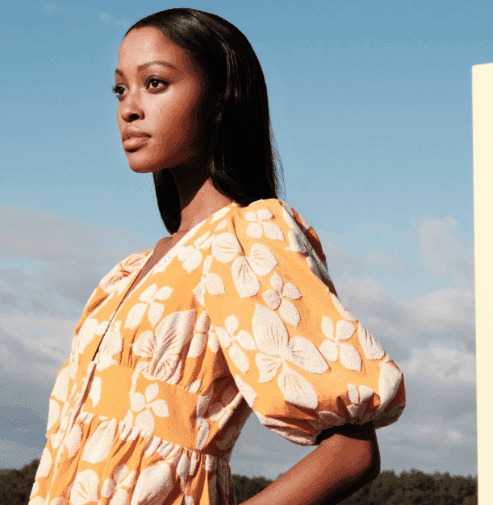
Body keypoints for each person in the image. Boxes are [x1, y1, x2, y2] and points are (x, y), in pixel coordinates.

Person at [29, 8, 405, 505]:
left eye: (156, 83)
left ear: (221, 101)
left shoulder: (247, 240)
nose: (129, 108)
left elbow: (352, 452)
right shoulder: (123, 276)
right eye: (120, 89)